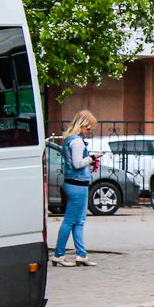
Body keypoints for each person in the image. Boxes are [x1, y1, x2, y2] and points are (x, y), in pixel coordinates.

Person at [53, 110, 100, 266]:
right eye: (89, 128)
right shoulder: (77, 142)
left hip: (74, 183)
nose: (89, 132)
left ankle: (81, 254)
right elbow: (77, 163)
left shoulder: (69, 140)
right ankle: (59, 254)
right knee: (70, 221)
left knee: (79, 221)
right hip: (77, 185)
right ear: (82, 125)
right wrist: (93, 157)